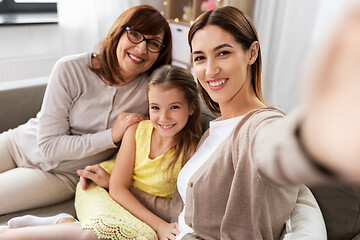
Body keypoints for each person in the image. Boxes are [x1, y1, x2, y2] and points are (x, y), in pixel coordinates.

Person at [0, 4, 172, 215]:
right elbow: (48, 145)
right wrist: (111, 136)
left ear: (160, 53)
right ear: (119, 32)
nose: (141, 48)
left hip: (60, 175)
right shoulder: (70, 68)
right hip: (17, 144)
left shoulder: (151, 92)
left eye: (153, 43)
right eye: (135, 34)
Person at [1, 65, 202, 240]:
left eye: (174, 107)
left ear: (191, 107)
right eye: (155, 107)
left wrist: (160, 225)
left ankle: (62, 222)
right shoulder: (137, 130)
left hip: (133, 205)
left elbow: (180, 208)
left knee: (142, 237)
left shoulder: (194, 150)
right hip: (101, 188)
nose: (164, 117)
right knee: (101, 232)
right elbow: (117, 188)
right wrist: (159, 225)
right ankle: (7, 235)